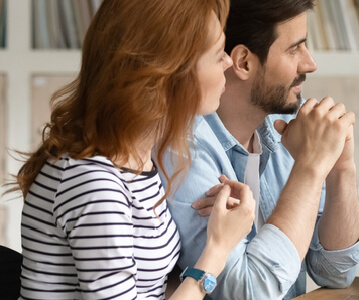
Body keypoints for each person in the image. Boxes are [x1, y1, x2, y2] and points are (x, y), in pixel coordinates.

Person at [12, 0, 258, 298]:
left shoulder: (137, 160)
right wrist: (218, 248)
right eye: (218, 53)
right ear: (166, 74)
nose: (229, 62)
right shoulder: (94, 182)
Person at [162, 0, 359, 299]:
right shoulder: (183, 147)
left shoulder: (284, 122)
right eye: (295, 49)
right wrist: (309, 168)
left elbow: (335, 272)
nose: (310, 64)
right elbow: (246, 293)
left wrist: (340, 169)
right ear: (243, 62)